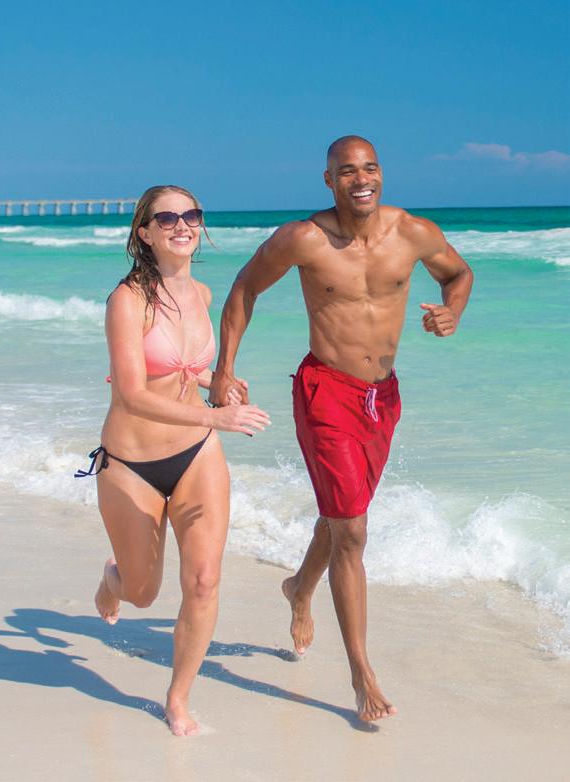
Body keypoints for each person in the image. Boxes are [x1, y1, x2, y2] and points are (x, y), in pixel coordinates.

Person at [209, 136, 474, 724]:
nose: (361, 179)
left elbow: (458, 274)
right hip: (325, 391)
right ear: (327, 180)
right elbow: (243, 289)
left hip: (384, 397)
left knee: (342, 517)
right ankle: (360, 670)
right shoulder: (302, 239)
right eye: (347, 170)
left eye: (370, 168)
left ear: (382, 174)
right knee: (352, 529)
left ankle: (299, 589)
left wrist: (454, 309)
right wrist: (223, 369)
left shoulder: (414, 233)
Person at [78, 185, 271, 736]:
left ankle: (178, 698)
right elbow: (133, 393)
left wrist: (221, 384)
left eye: (192, 215)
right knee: (143, 593)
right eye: (167, 217)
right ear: (145, 232)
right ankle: (113, 580)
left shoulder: (203, 293)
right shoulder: (127, 299)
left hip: (195, 454)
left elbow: (182, 370)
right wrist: (219, 417)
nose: (182, 224)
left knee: (205, 580)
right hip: (132, 462)